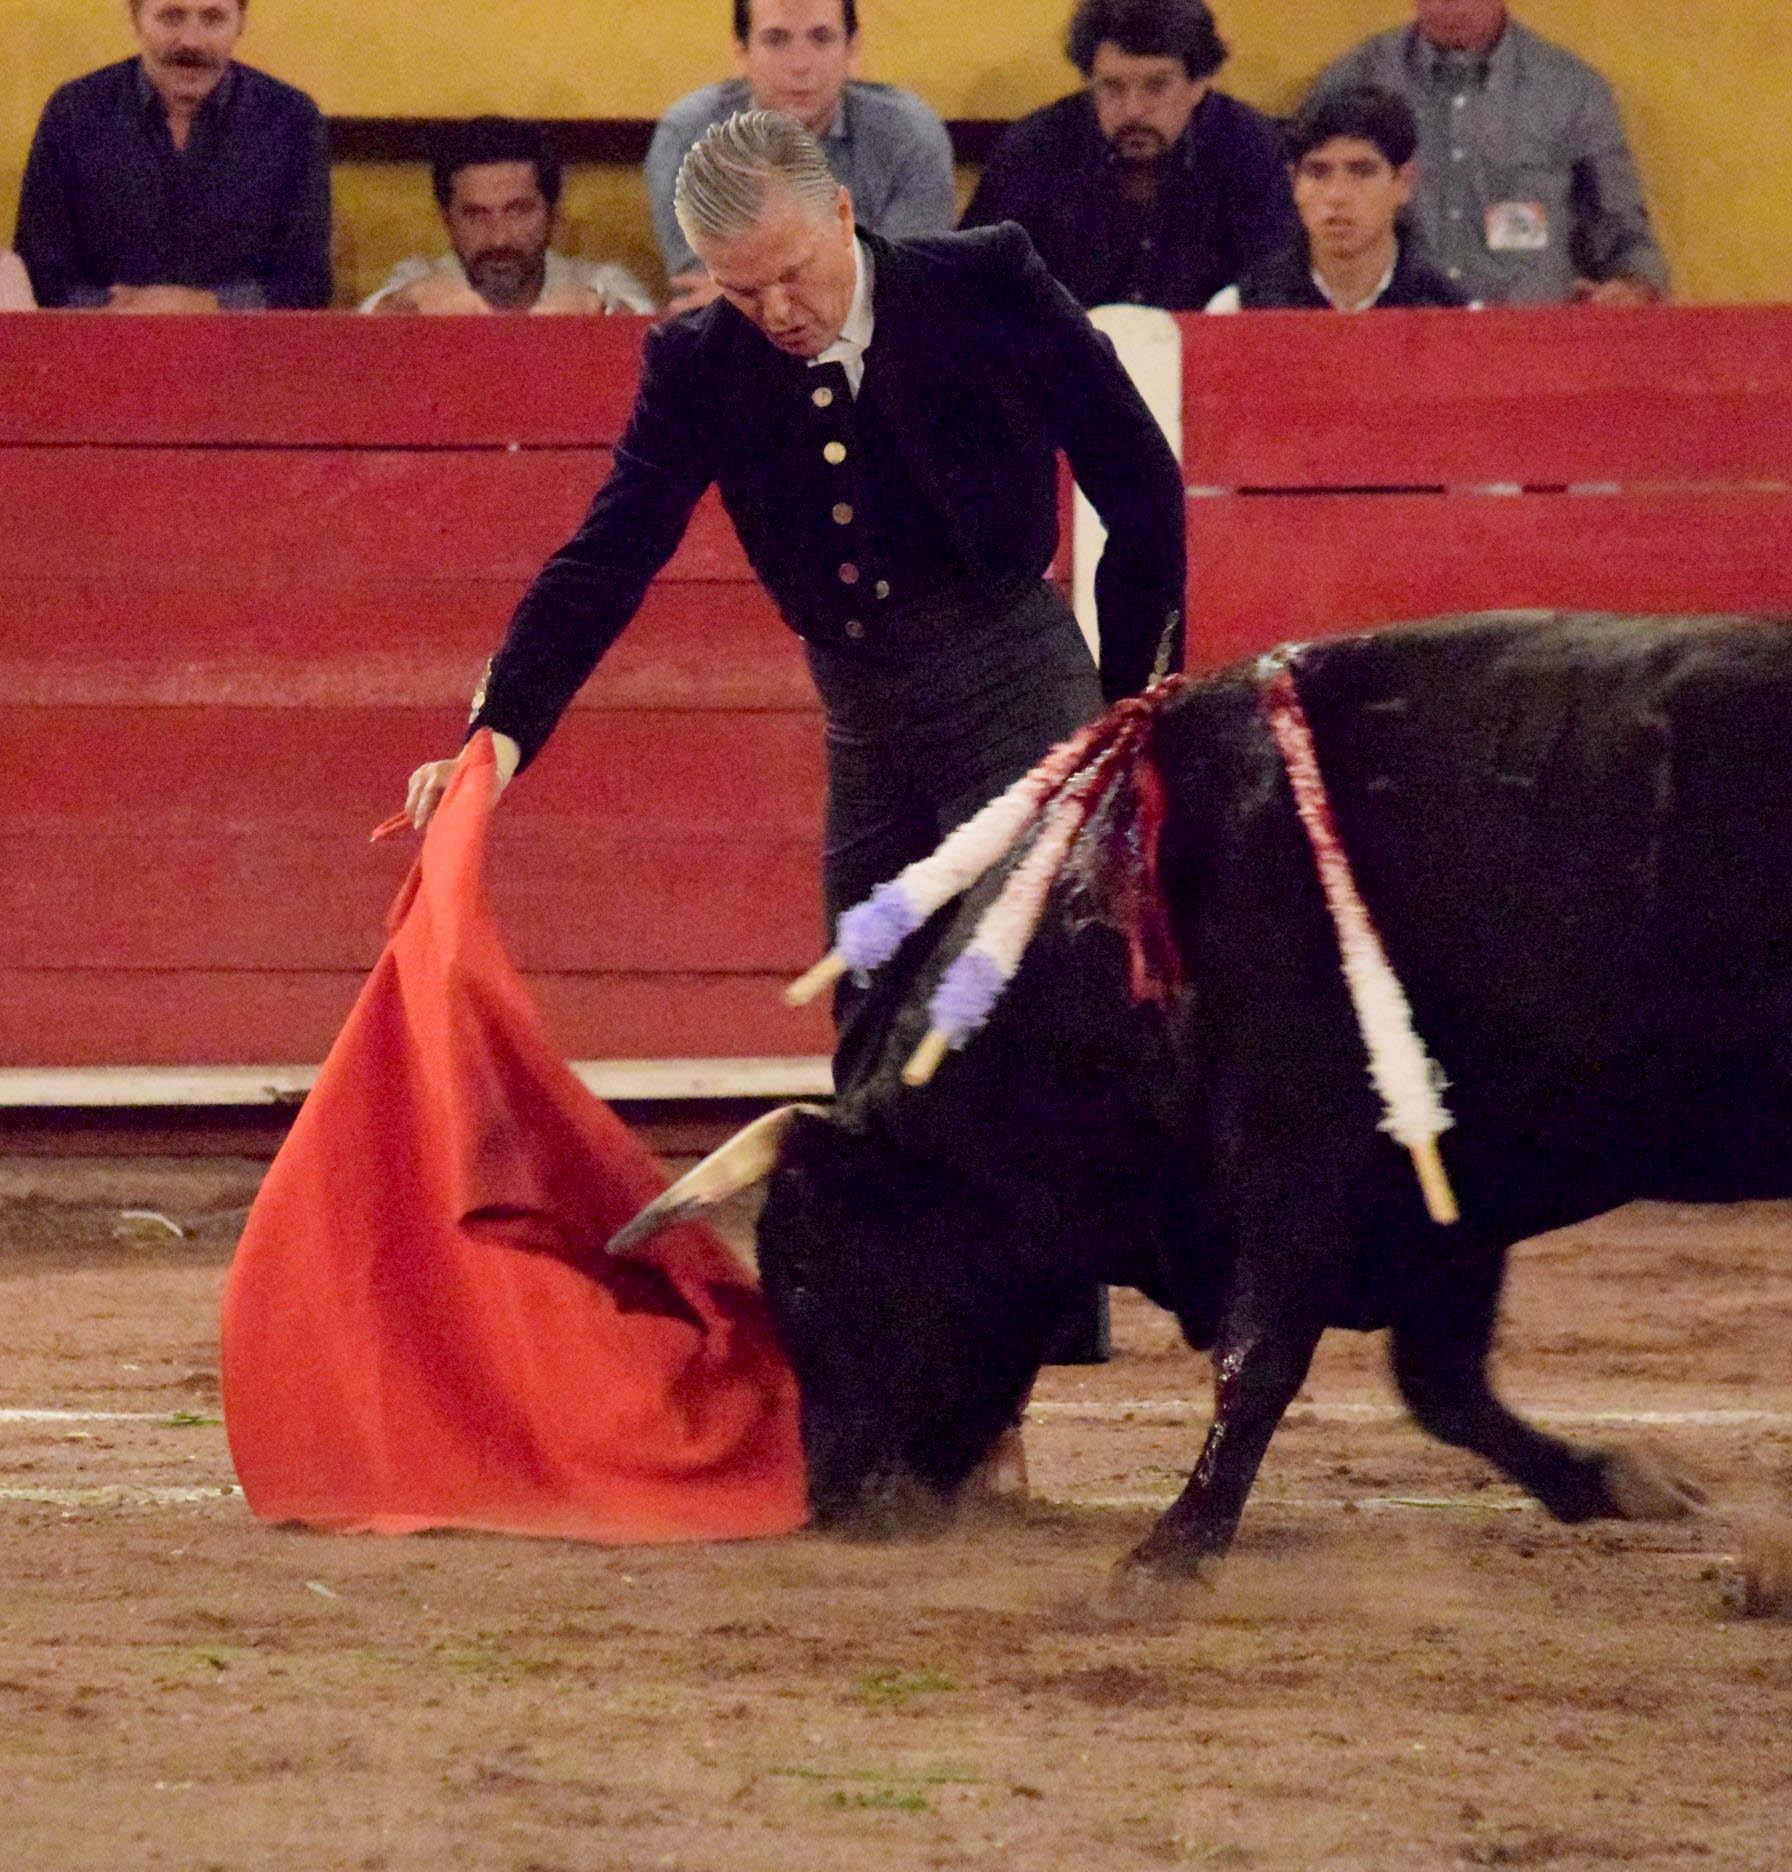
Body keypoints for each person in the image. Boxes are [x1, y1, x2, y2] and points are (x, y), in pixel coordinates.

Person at [1309, 0, 1668, 306]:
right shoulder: (1352, 83)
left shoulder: (1571, 92)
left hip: (1530, 353)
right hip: (1388, 344)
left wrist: (1631, 288)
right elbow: (1298, 223)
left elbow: (1623, 233)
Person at [960, 0, 1297, 311]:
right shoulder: (1036, 149)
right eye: (1112, 87)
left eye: (1156, 86)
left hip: (1206, 358)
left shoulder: (1248, 150)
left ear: (1199, 84)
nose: (1133, 110)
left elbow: (1273, 290)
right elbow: (972, 282)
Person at [13, 0, 330, 311]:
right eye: (171, 16)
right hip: (98, 348)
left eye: (213, 18)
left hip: (247, 354)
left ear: (241, 23)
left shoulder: (291, 120)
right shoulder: (74, 113)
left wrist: (203, 305)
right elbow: (39, 273)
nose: (191, 41)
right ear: (135, 19)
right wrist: (121, 309)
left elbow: (308, 283)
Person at [646, 0, 955, 315]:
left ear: (852, 49)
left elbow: (905, 288)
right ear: (741, 53)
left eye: (821, 39)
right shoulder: (689, 137)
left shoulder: (910, 136)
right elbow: (704, 295)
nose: (800, 64)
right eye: (776, 40)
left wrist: (758, 293)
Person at [1207, 85, 1470, 312]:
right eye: (1318, 173)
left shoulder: (1454, 316)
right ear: (1293, 183)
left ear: (1403, 181)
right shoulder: (1239, 311)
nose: (1336, 195)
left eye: (1362, 171)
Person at [362, 118, 654, 315]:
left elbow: (667, 354)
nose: (498, 237)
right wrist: (403, 305)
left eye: (518, 211)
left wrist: (602, 314)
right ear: (446, 219)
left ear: (553, 213)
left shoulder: (598, 283)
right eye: (475, 215)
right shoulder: (418, 281)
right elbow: (351, 344)